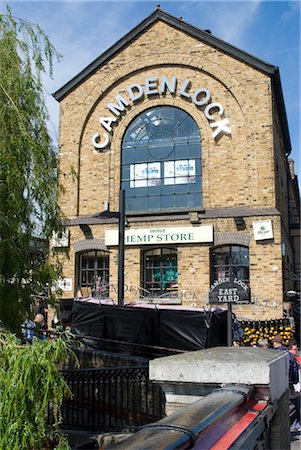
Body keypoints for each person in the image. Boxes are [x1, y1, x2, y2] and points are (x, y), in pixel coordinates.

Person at [273, 335, 301, 432]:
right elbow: (294, 370)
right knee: (292, 404)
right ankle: (291, 425)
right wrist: (294, 382)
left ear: (274, 343)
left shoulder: (272, 354)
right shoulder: (289, 355)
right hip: (288, 384)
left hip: (275, 385)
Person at [288, 339, 301, 432]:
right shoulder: (289, 359)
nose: (296, 351)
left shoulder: (297, 358)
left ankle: (296, 424)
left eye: (296, 349)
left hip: (297, 387)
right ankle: (294, 425)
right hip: (294, 387)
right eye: (294, 350)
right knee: (294, 406)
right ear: (290, 349)